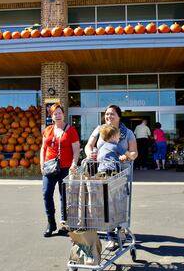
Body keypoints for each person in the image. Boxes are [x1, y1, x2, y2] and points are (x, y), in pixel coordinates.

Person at [85, 105, 137, 250]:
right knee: (104, 204)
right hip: (101, 172)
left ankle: (120, 230)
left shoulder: (127, 133)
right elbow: (89, 145)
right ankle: (110, 236)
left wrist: (126, 157)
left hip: (119, 173)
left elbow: (134, 153)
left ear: (119, 117)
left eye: (112, 114)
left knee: (117, 203)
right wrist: (90, 153)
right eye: (107, 114)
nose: (108, 116)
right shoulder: (99, 129)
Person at [40, 103, 80, 238]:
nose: (57, 115)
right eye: (54, 113)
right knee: (46, 193)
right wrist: (42, 163)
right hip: (50, 167)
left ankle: (65, 223)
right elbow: (43, 148)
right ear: (51, 117)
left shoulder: (71, 130)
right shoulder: (47, 130)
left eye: (59, 113)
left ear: (63, 114)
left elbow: (76, 149)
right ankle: (51, 223)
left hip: (65, 168)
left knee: (64, 196)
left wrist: (74, 163)